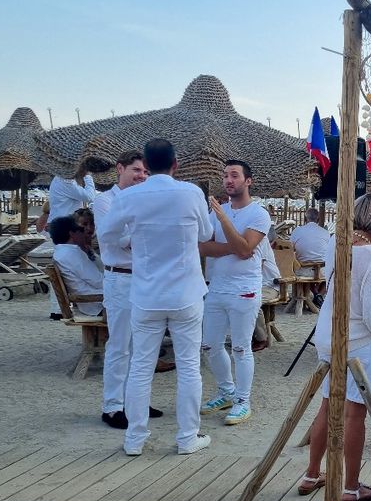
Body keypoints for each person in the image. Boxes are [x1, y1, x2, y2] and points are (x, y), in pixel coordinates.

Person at [98, 138, 213, 456]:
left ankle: (135, 439)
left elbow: (106, 234)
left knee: (140, 367)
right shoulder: (191, 192)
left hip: (146, 293)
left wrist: (133, 237)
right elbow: (205, 234)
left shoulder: (130, 196)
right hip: (186, 292)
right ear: (175, 164)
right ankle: (188, 436)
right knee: (189, 366)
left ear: (146, 165)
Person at [298, 194, 371, 501]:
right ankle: (351, 486)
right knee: (356, 413)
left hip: (328, 333)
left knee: (328, 404)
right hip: (358, 340)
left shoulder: (334, 242)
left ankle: (312, 472)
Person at [199, 161, 272, 425]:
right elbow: (203, 247)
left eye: (234, 175)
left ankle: (243, 401)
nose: (228, 180)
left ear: (248, 181)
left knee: (241, 347)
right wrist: (235, 245)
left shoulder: (258, 214)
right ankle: (226, 391)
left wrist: (222, 219)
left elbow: (246, 249)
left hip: (245, 289)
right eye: (225, 176)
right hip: (217, 286)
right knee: (210, 344)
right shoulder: (219, 211)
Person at [92, 150, 152, 429]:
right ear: (120, 169)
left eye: (145, 172)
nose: (141, 176)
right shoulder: (105, 201)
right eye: (136, 170)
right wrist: (146, 234)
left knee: (142, 345)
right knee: (119, 344)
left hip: (145, 279)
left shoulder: (143, 202)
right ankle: (113, 406)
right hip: (120, 278)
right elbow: (115, 239)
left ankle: (135, 401)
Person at [49, 216, 103, 316]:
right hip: (96, 304)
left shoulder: (60, 252)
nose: (84, 233)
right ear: (72, 233)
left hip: (89, 302)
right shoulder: (73, 253)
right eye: (81, 230)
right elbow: (98, 281)